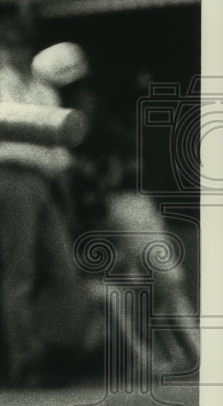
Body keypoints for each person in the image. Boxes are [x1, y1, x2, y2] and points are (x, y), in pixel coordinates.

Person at [32, 42, 199, 373]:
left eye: (80, 87)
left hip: (123, 202)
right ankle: (149, 359)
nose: (79, 95)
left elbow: (124, 163)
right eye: (68, 89)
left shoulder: (102, 118)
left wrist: (96, 173)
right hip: (84, 218)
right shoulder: (45, 118)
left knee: (165, 277)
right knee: (118, 290)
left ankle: (196, 350)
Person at [0, 15, 85, 387]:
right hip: (6, 173)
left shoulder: (43, 91)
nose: (14, 52)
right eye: (7, 45)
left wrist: (68, 200)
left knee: (64, 273)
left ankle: (56, 351)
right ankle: (27, 363)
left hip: (43, 180)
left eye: (21, 45)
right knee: (20, 274)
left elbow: (60, 155)